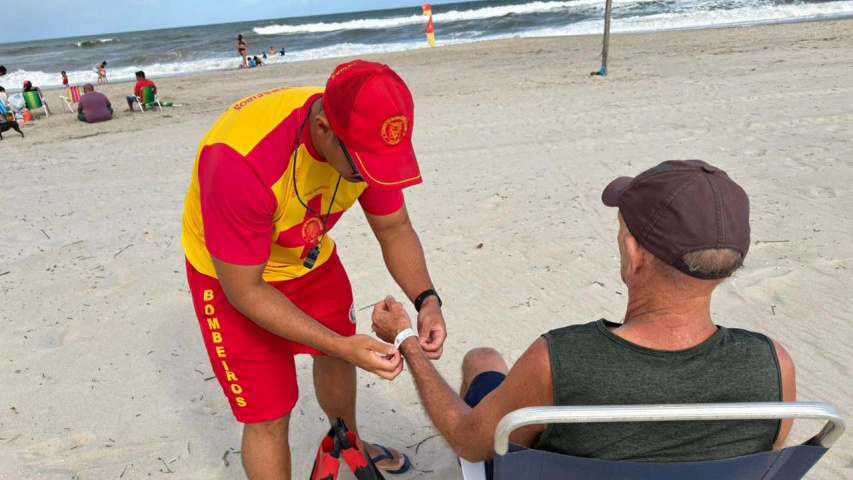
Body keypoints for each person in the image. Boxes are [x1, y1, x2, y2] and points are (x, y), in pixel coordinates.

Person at [372, 160, 796, 480]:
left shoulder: (558, 360)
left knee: (482, 360)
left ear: (633, 254)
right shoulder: (773, 365)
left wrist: (407, 339)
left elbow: (468, 440)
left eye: (622, 232)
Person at [181, 60, 447, 480]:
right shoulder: (240, 160)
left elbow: (395, 229)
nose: (368, 176)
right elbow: (245, 290)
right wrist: (341, 344)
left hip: (308, 255)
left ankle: (349, 442)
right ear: (323, 129)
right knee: (269, 412)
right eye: (361, 166)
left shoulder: (365, 137)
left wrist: (427, 300)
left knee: (337, 354)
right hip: (232, 275)